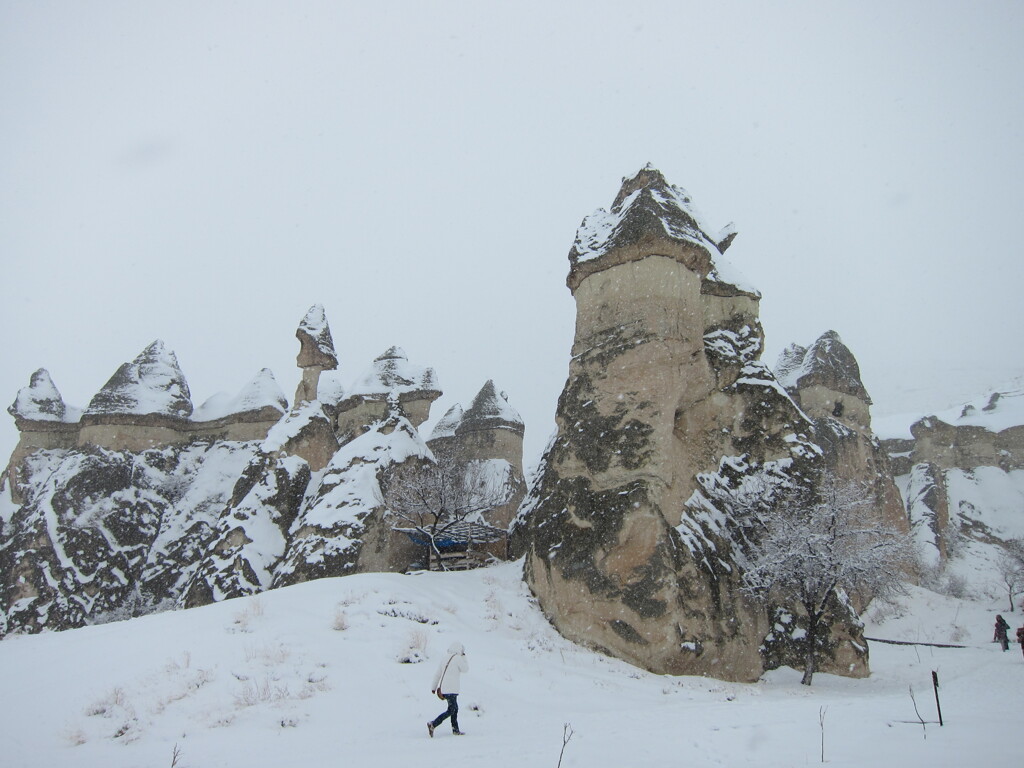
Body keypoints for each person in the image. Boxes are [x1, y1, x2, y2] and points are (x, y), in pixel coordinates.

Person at [427, 641, 469, 737]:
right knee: (452, 709)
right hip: (452, 688)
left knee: (454, 708)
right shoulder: (458, 658)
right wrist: (464, 657)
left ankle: (455, 729)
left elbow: (438, 674)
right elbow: (465, 669)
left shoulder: (445, 658)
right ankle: (433, 724)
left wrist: (434, 687)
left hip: (445, 689)